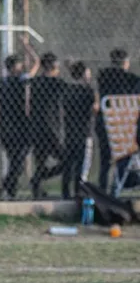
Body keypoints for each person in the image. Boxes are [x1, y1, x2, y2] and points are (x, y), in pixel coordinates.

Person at [95, 49, 140, 191]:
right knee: (123, 156)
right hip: (123, 125)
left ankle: (103, 189)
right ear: (125, 62)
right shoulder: (131, 80)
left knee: (105, 160)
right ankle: (117, 186)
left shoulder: (103, 77)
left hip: (104, 122)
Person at [0, 47, 35, 199]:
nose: (21, 67)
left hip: (7, 127)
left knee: (15, 161)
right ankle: (7, 186)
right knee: (17, 162)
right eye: (19, 65)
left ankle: (9, 190)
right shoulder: (20, 81)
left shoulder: (2, 83)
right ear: (13, 67)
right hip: (19, 127)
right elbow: (36, 63)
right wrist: (27, 46)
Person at [29, 52, 67, 199]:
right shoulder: (58, 83)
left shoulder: (35, 82)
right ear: (53, 67)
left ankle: (37, 184)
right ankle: (40, 177)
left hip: (36, 126)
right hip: (51, 127)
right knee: (66, 159)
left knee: (41, 160)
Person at [64, 61, 98, 199]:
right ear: (84, 74)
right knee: (83, 164)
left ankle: (65, 192)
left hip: (69, 131)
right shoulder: (88, 91)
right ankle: (79, 190)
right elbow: (95, 108)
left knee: (69, 162)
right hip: (84, 132)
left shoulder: (67, 90)